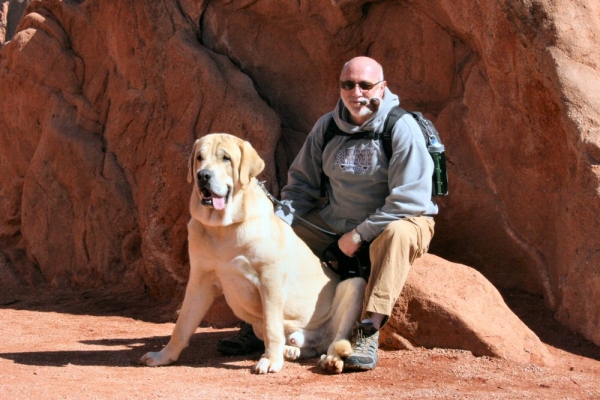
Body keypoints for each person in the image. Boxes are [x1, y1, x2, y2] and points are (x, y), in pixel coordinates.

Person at [217, 56, 437, 371]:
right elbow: (301, 187)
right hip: (336, 220)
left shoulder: (400, 127)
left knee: (397, 235)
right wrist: (278, 225)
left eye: (365, 85)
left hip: (400, 219)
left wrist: (360, 234)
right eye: (348, 84)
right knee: (273, 234)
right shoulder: (329, 126)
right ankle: (261, 324)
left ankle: (368, 330)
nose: (356, 92)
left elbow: (410, 198)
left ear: (382, 87)